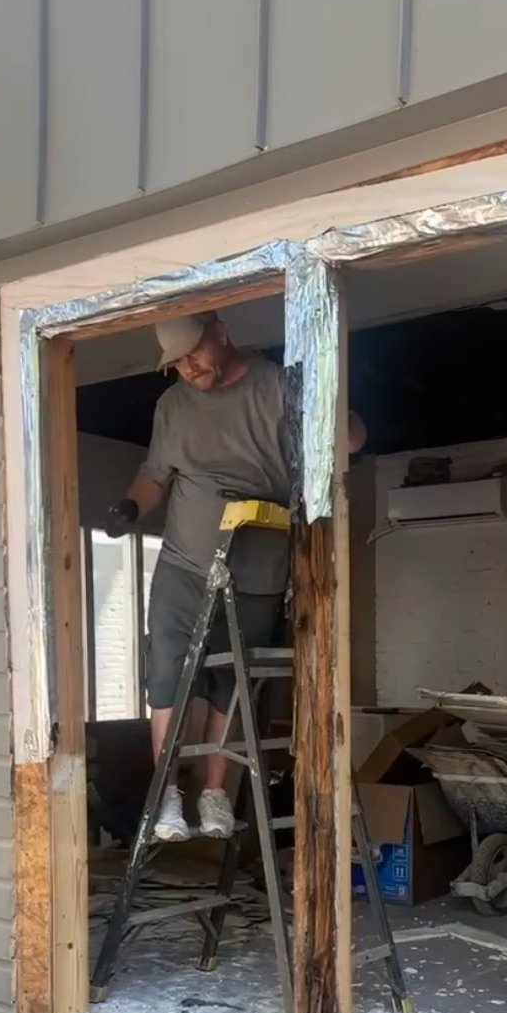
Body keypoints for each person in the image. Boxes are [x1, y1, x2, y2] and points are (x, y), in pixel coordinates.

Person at [100, 311, 365, 843]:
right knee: (168, 677)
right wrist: (130, 507)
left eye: (193, 352)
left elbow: (352, 441)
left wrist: (328, 402)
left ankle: (215, 793)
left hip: (257, 568)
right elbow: (156, 476)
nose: (187, 366)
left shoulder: (275, 386)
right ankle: (167, 796)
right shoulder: (171, 406)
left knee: (231, 685)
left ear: (221, 332)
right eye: (175, 362)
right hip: (185, 565)